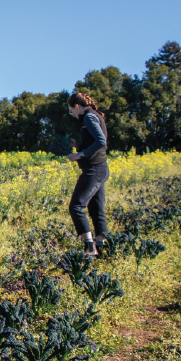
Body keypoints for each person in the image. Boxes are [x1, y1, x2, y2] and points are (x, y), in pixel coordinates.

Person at [66, 92, 109, 256]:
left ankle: (89, 248)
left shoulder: (89, 118)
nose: (72, 114)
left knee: (76, 206)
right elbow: (94, 141)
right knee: (96, 209)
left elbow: (101, 141)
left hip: (94, 168)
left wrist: (80, 155)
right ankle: (102, 247)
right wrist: (78, 145)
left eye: (71, 110)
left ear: (76, 106)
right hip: (101, 167)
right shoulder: (94, 115)